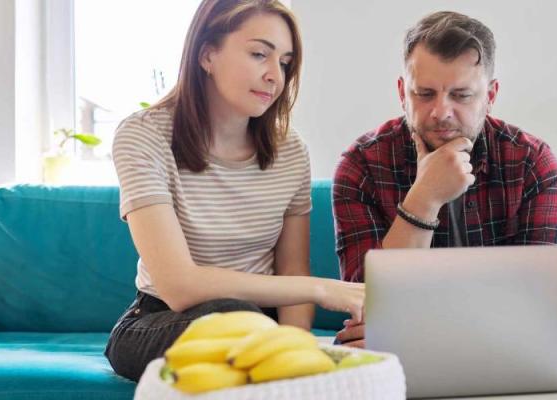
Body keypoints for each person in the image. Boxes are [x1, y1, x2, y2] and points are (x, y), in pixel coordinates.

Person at [104, 0, 363, 381]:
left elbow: (292, 268)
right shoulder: (142, 136)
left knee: (256, 331)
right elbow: (179, 286)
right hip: (164, 319)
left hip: (260, 323)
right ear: (207, 54)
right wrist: (323, 290)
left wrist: (296, 355)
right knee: (231, 317)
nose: (276, 75)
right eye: (260, 54)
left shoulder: (290, 150)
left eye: (285, 62)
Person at [332, 11, 557, 348]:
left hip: (495, 349)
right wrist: (425, 199)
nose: (441, 112)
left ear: (491, 95)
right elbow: (369, 304)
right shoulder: (362, 165)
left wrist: (413, 328)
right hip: (428, 349)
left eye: (461, 95)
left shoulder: (532, 162)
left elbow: (540, 307)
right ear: (403, 92)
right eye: (425, 94)